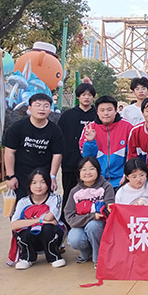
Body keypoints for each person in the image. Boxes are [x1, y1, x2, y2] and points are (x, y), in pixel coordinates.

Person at [3, 93, 64, 200]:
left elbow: (57, 154)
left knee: (43, 207)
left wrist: (52, 176)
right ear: (29, 108)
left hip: (44, 177)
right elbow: (9, 152)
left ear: (50, 110)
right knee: (20, 207)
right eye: (38, 105)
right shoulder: (17, 127)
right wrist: (10, 176)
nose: (42, 109)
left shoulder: (55, 130)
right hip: (21, 176)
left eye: (46, 106)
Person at [64, 157, 115, 267]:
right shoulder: (74, 191)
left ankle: (99, 259)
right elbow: (70, 216)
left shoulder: (106, 187)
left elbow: (109, 210)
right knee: (74, 238)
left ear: (98, 170)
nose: (87, 172)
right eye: (83, 170)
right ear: (79, 173)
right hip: (81, 224)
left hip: (100, 226)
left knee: (93, 226)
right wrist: (91, 216)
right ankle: (86, 254)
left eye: (91, 169)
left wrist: (99, 216)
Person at [58, 82, 97, 224]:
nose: (86, 97)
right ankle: (66, 223)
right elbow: (59, 137)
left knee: (91, 194)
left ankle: (87, 221)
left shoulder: (97, 115)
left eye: (89, 95)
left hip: (92, 164)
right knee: (69, 193)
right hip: (70, 162)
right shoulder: (67, 115)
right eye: (83, 95)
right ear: (78, 97)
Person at [11, 169, 66, 270]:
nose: (38, 186)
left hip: (49, 236)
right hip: (31, 238)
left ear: (48, 184)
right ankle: (27, 258)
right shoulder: (23, 202)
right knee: (24, 231)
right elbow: (14, 225)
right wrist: (39, 221)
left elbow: (50, 218)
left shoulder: (55, 198)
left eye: (43, 182)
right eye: (34, 183)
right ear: (29, 185)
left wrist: (28, 221)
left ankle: (53, 257)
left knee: (48, 227)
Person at [79, 95, 133, 190]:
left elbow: (132, 154)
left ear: (116, 110)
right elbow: (87, 157)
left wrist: (126, 175)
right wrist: (90, 142)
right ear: (97, 112)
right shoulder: (90, 128)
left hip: (121, 181)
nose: (106, 113)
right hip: (97, 181)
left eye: (109, 110)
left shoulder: (128, 127)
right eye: (102, 110)